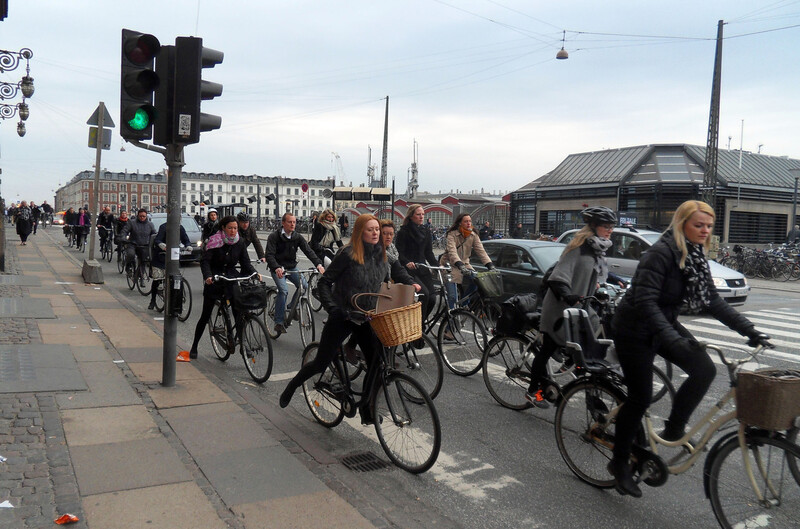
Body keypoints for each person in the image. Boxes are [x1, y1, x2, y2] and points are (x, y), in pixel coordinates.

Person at [608, 200, 770, 498]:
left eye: (709, 226)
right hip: (633, 329)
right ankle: (619, 464)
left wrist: (750, 330)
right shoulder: (659, 254)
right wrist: (670, 338)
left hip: (663, 324)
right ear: (682, 224)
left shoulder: (695, 256)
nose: (705, 231)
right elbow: (645, 302)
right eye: (699, 225)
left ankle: (674, 428)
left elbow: (712, 300)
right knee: (640, 397)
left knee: (704, 368)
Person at [279, 214, 415, 424]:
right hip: (343, 314)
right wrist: (333, 308)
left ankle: (367, 409)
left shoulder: (382, 254)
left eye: (377, 229)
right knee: (321, 363)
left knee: (377, 364)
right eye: (370, 230)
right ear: (360, 232)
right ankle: (293, 385)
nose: (375, 233)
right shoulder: (348, 254)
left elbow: (386, 282)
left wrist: (402, 294)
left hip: (366, 316)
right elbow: (324, 283)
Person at [526, 206, 618, 409]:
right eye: (606, 226)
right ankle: (533, 391)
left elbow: (599, 273)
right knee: (547, 350)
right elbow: (558, 277)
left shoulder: (597, 250)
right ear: (593, 226)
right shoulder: (578, 248)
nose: (610, 230)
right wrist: (569, 296)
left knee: (586, 350)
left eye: (612, 226)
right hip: (559, 308)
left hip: (579, 309)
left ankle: (586, 391)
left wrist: (617, 281)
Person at [188, 216, 260, 359]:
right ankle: (194, 346)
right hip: (215, 279)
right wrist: (207, 276)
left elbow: (245, 263)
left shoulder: (239, 242)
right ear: (223, 228)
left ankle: (243, 345)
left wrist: (254, 273)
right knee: (205, 315)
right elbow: (205, 262)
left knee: (238, 313)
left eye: (235, 228)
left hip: (230, 278)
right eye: (230, 228)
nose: (233, 231)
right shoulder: (215, 241)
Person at [264, 212, 325, 335]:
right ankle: (279, 322)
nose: (292, 224)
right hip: (278, 268)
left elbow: (308, 251)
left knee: (304, 286)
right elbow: (269, 255)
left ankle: (291, 307)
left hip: (291, 267)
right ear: (283, 223)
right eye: (290, 222)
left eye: (294, 222)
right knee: (284, 290)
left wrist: (318, 264)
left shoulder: (297, 237)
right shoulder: (274, 237)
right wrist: (276, 267)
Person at [441, 213, 495, 309]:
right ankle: (451, 320)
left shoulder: (473, 235)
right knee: (453, 297)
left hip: (465, 264)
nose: (469, 223)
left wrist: (490, 265)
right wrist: (459, 264)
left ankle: (464, 302)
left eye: (470, 221)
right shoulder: (452, 234)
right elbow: (452, 251)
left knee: (477, 279)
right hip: (450, 265)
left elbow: (481, 251)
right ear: (460, 223)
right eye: (466, 221)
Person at [395, 204, 438, 320]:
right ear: (411, 216)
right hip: (410, 270)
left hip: (422, 269)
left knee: (433, 299)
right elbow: (399, 252)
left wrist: (438, 267)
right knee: (424, 295)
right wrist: (407, 262)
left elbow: (429, 253)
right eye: (418, 214)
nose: (421, 217)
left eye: (423, 214)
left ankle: (421, 320)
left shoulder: (426, 231)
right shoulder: (404, 232)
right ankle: (419, 327)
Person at [148, 221, 191, 310]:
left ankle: (177, 301)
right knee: (157, 279)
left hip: (173, 257)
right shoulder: (163, 227)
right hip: (160, 257)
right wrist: (162, 245)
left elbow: (185, 239)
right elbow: (158, 239)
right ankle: (153, 300)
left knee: (177, 279)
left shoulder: (180, 228)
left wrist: (188, 245)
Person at [119, 209, 156, 288]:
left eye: (144, 216)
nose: (142, 218)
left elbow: (154, 234)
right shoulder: (132, 223)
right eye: (140, 216)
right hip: (133, 244)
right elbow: (124, 231)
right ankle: (128, 266)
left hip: (144, 245)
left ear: (146, 216)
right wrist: (123, 238)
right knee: (131, 255)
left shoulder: (150, 224)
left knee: (143, 261)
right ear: (137, 216)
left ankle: (141, 278)